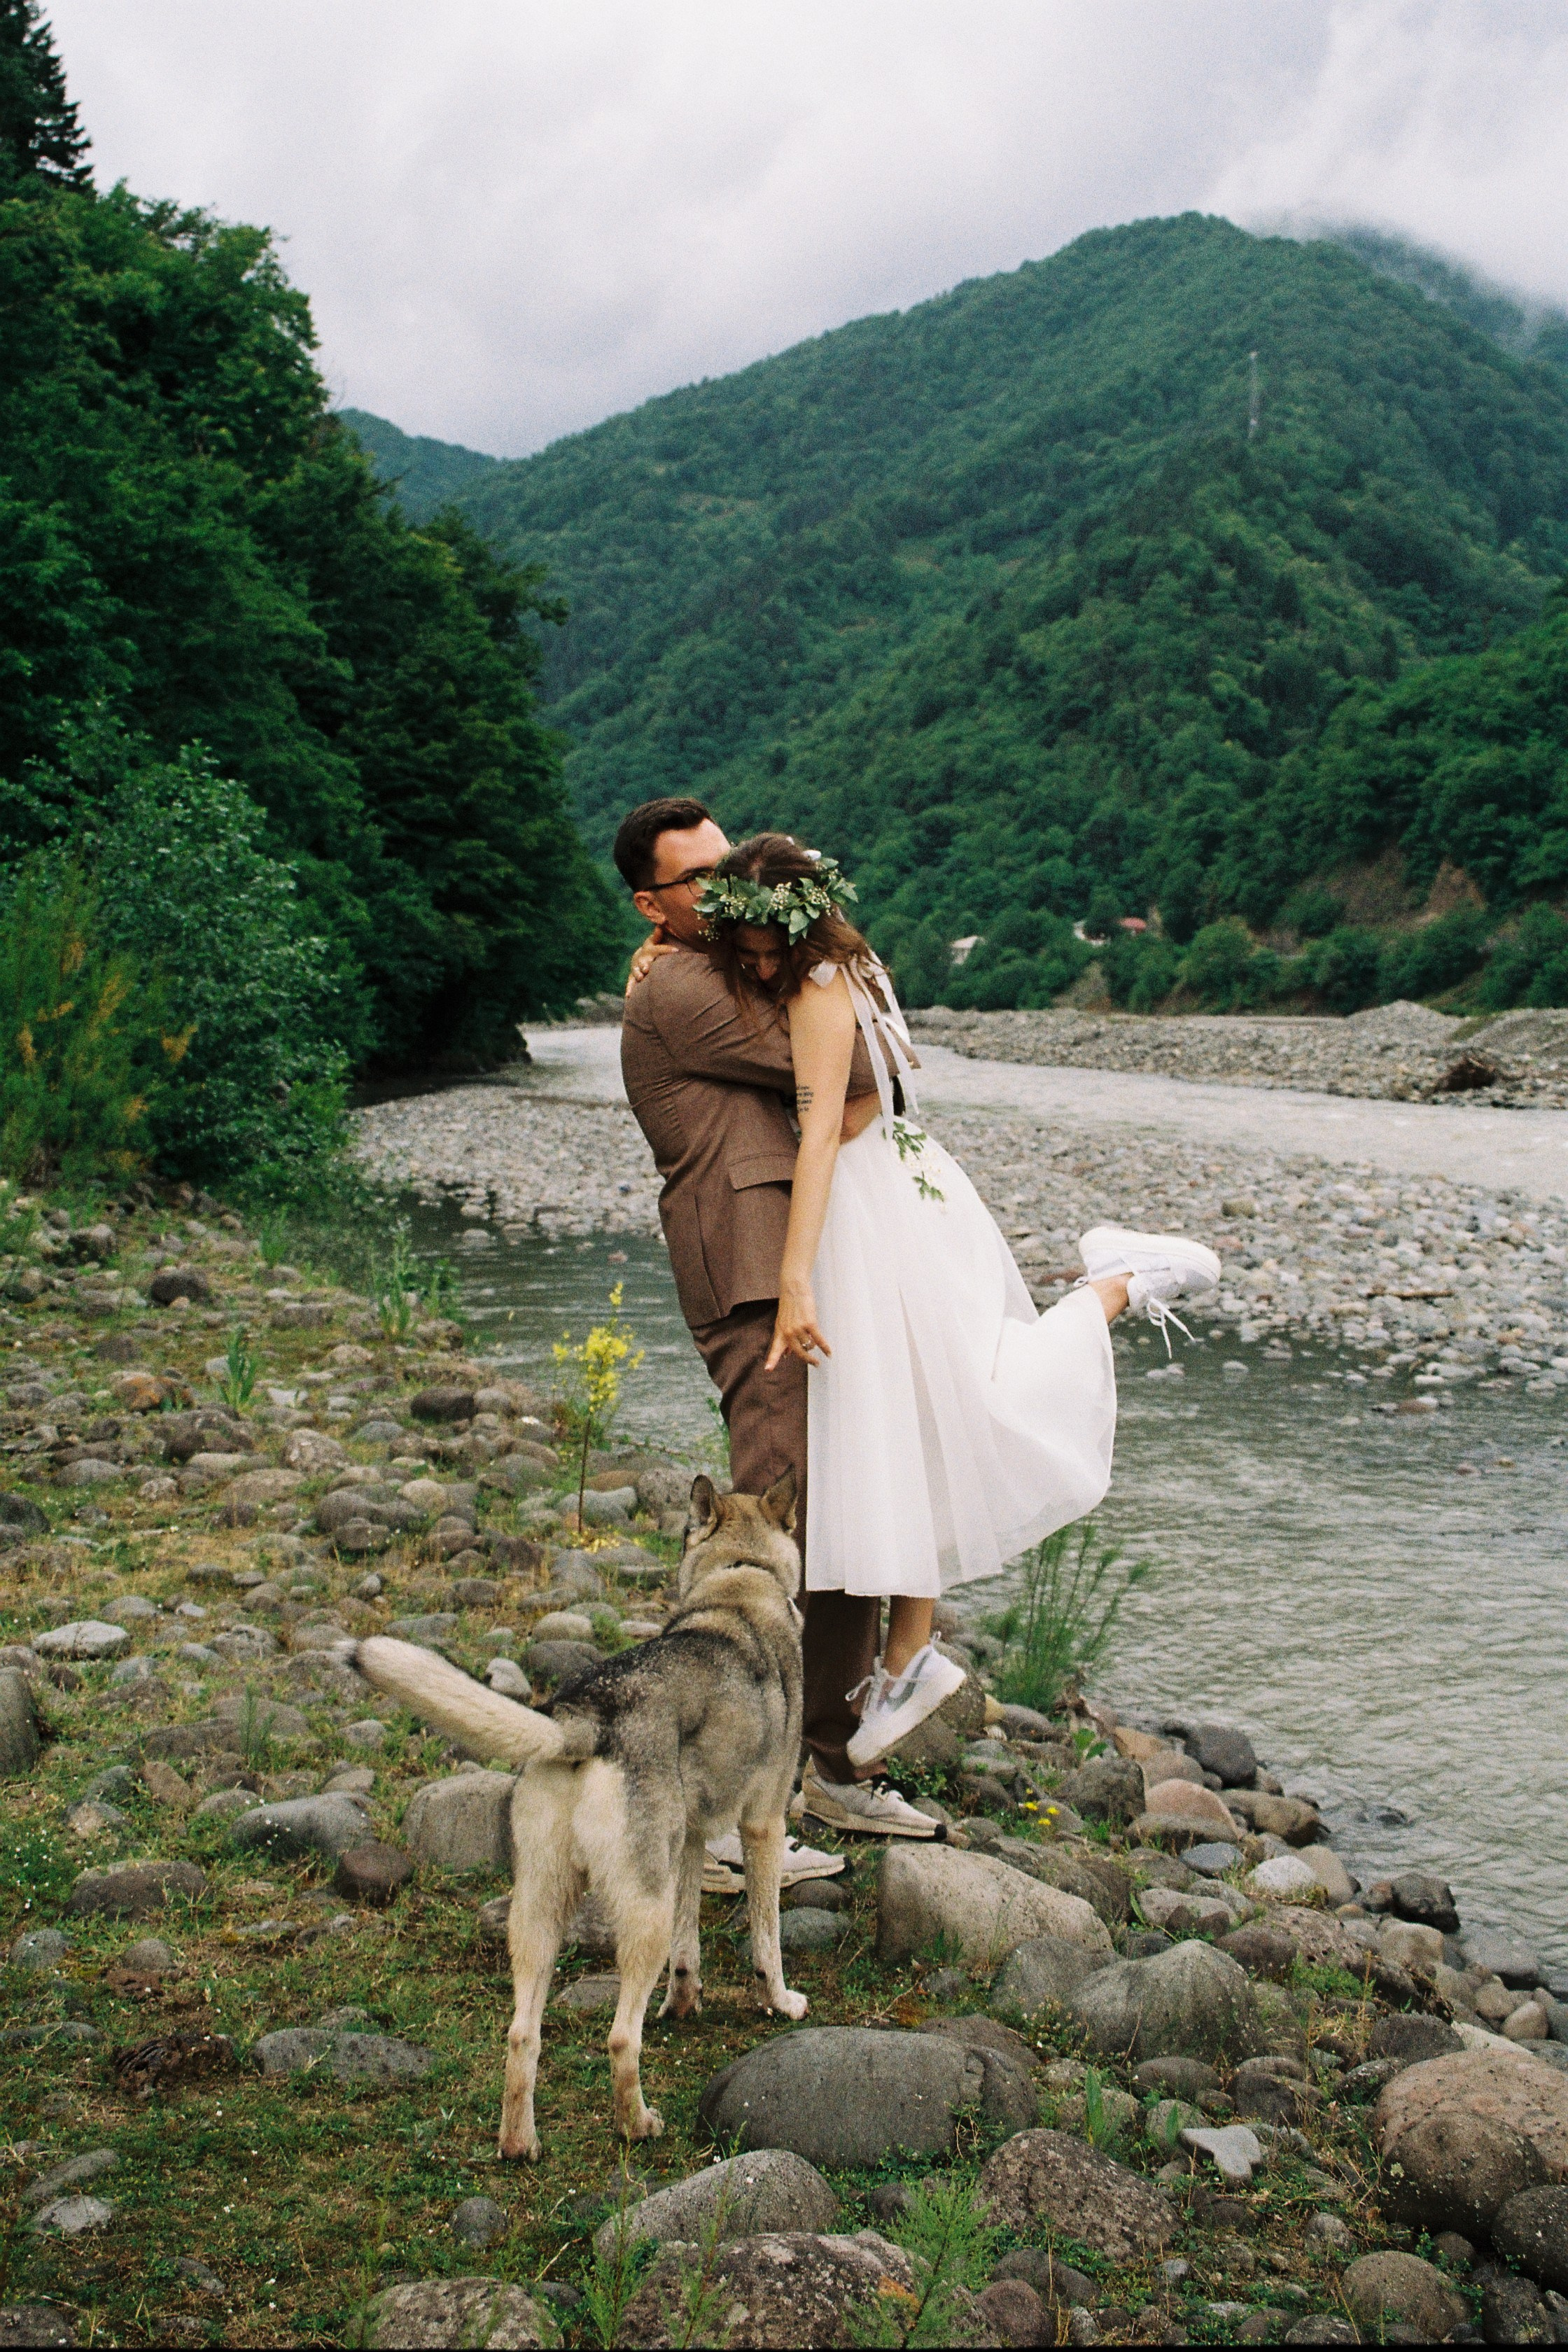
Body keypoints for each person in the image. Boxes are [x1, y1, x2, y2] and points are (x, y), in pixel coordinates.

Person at [692, 834, 1221, 1813]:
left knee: (931, 1418)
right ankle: (905, 1660)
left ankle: (1119, 1284)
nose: (758, 963)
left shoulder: (815, 987)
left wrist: (796, 1275)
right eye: (745, 949)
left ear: (799, 927)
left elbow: (818, 1134)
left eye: (767, 945)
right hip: (912, 1195)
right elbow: (879, 1090)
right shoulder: (856, 961)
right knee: (926, 1423)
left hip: (862, 1216)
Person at [615, 798, 937, 1835]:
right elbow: (848, 1059)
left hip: (796, 1267)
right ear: (652, 906)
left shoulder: (720, 957)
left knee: (833, 1524)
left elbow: (857, 1046)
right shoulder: (681, 985)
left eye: (730, 867)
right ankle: (711, 1819)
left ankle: (828, 1769)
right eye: (700, 882)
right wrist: (830, 962)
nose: (729, 891)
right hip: (754, 1274)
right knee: (759, 1544)